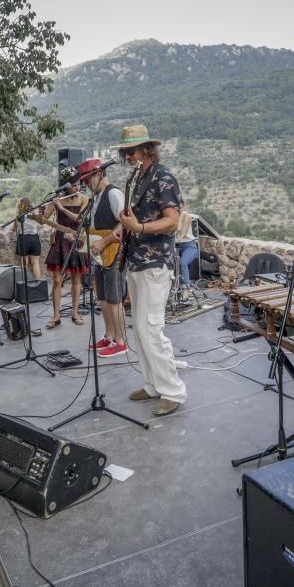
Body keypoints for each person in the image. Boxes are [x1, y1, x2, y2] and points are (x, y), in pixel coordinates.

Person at [114, 124, 188, 416]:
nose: (127, 156)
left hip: (155, 262)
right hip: (136, 260)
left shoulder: (163, 176)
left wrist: (140, 227)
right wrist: (126, 226)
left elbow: (171, 220)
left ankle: (173, 390)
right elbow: (138, 217)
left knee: (151, 328)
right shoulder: (138, 175)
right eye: (124, 152)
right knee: (141, 329)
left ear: (146, 149)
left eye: (131, 151)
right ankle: (152, 384)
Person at [79, 159, 128, 357]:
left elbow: (125, 224)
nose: (85, 185)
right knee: (104, 299)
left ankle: (121, 341)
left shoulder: (114, 194)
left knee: (115, 299)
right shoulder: (95, 199)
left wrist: (103, 242)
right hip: (100, 256)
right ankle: (109, 336)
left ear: (99, 175)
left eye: (87, 180)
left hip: (114, 253)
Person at [42, 176, 90, 329]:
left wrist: (61, 209)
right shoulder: (58, 200)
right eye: (73, 185)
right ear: (65, 188)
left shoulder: (84, 199)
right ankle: (56, 315)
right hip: (60, 241)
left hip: (77, 240)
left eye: (78, 185)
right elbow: (44, 218)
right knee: (57, 280)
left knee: (76, 280)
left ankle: (75, 313)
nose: (77, 188)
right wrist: (51, 203)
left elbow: (80, 219)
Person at [12, 196, 42, 281]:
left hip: (23, 239)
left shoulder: (19, 216)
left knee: (24, 264)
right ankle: (38, 283)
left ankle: (25, 283)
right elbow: (41, 225)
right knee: (35, 264)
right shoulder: (34, 215)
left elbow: (13, 229)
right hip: (34, 239)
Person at [175, 206, 199, 299]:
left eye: (179, 205)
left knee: (182, 263)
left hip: (189, 246)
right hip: (177, 246)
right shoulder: (172, 217)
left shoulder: (186, 216)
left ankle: (186, 289)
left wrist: (174, 240)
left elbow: (183, 234)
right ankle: (174, 287)